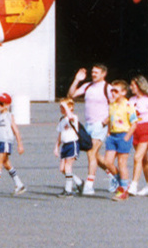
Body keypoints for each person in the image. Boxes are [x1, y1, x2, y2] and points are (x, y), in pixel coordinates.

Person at [68, 64, 111, 195]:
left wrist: (107, 122)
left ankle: (89, 185)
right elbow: (71, 95)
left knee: (91, 153)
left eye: (96, 72)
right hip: (88, 124)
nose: (93, 74)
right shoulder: (87, 86)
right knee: (96, 155)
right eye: (92, 72)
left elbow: (116, 105)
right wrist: (77, 80)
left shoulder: (107, 88)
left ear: (103, 74)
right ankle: (114, 176)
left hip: (100, 125)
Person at [102, 80, 135, 201]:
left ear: (124, 92)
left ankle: (123, 190)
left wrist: (127, 136)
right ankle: (121, 181)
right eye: (112, 91)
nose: (113, 93)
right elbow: (111, 119)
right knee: (107, 162)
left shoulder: (128, 105)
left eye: (116, 91)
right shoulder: (112, 104)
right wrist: (109, 132)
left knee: (122, 163)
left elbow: (134, 123)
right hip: (113, 135)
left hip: (123, 134)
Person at [127, 75, 148, 196]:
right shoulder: (131, 100)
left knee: (137, 157)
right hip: (135, 130)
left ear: (140, 86)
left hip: (146, 129)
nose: (131, 88)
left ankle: (134, 185)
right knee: (144, 159)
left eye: (133, 85)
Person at [55, 97, 86, 196]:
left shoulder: (73, 117)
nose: (61, 108)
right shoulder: (62, 119)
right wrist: (56, 147)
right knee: (62, 169)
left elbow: (70, 117)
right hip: (65, 145)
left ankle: (68, 190)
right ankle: (79, 182)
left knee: (68, 166)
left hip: (72, 143)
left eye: (63, 106)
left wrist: (66, 106)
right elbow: (60, 134)